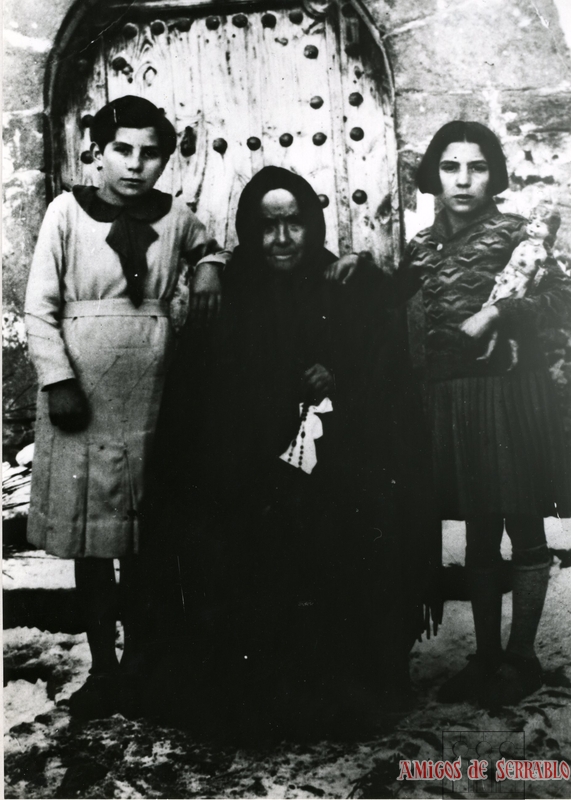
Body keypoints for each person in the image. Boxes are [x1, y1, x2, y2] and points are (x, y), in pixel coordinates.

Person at [142, 166, 440, 739]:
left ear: (314, 224)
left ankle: (342, 688)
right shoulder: (227, 292)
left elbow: (384, 383)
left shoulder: (343, 284)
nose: (281, 240)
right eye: (266, 226)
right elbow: (201, 402)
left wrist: (339, 377)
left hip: (332, 479)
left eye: (294, 224)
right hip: (250, 481)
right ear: (248, 231)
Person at [332, 120, 571, 708]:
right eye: (450, 167)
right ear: (433, 177)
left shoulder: (520, 237)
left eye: (478, 167)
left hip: (507, 395)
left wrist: (500, 313)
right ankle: (486, 656)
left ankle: (522, 657)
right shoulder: (423, 245)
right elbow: (392, 298)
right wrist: (356, 267)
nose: (464, 180)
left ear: (495, 175)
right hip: (448, 397)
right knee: (480, 529)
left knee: (522, 521)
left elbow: (559, 299)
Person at [24, 95, 230, 719]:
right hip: (83, 390)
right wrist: (57, 379)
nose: (136, 166)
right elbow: (39, 306)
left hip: (152, 388)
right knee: (93, 544)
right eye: (123, 150)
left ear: (167, 159)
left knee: (142, 540)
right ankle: (103, 669)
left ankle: (145, 661)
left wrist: (210, 267)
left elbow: (208, 246)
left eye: (151, 153)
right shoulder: (66, 212)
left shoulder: (175, 215)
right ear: (98, 151)